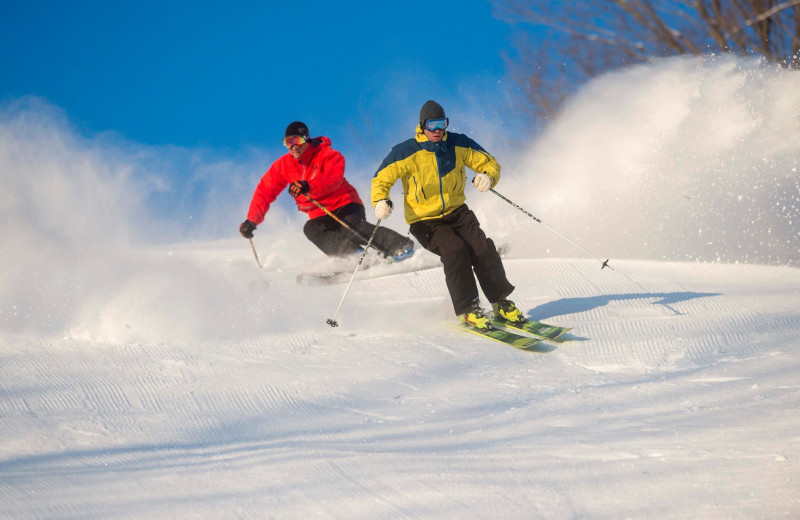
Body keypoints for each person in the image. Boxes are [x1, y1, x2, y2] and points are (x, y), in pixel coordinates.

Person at [371, 100, 523, 330]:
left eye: (441, 124)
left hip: (458, 212)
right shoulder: (406, 151)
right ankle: (468, 309)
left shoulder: (458, 143)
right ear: (422, 125)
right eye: (432, 125)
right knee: (455, 251)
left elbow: (489, 163)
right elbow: (381, 179)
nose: (437, 130)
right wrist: (380, 200)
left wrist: (488, 177)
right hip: (425, 221)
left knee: (482, 247)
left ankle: (500, 302)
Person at [240, 121, 414, 259]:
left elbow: (334, 179)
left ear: (306, 139)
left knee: (352, 229)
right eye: (288, 142)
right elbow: (265, 191)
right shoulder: (283, 166)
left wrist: (309, 186)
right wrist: (252, 220)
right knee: (310, 229)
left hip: (345, 204)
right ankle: (352, 257)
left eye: (298, 141)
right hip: (319, 214)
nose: (294, 146)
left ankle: (399, 246)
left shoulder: (327, 154)